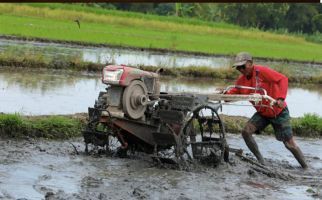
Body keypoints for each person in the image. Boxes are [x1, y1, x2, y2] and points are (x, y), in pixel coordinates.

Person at [224, 52, 308, 169]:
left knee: (289, 144)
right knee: (246, 132)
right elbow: (233, 93)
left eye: (243, 66)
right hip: (263, 113)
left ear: (250, 63)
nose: (241, 70)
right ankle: (261, 162)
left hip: (277, 111)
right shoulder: (241, 81)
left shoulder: (261, 71)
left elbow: (283, 79)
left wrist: (280, 98)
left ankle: (306, 167)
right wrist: (223, 94)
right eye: (238, 68)